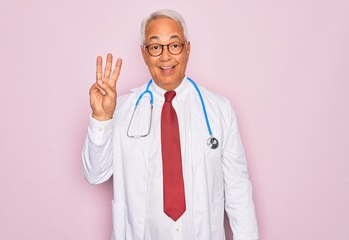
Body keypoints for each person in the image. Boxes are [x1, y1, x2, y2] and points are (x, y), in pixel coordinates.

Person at [82, 9, 259, 240]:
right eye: (155, 47)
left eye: (174, 45)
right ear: (144, 54)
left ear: (187, 49)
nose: (165, 57)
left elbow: (238, 191)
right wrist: (101, 117)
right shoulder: (121, 110)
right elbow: (95, 174)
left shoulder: (219, 109)